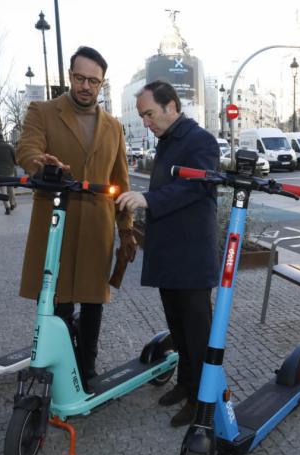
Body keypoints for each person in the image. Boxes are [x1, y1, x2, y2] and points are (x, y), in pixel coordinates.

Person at [16, 46, 135, 388]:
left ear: (102, 84)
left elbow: (120, 179)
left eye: (93, 81)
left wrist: (126, 229)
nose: (86, 86)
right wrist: (40, 162)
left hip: (97, 227)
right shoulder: (42, 111)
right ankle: (60, 366)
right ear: (69, 76)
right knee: (58, 299)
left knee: (94, 301)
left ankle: (87, 368)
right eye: (80, 78)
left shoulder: (113, 126)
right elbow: (27, 149)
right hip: (56, 221)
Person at [116, 80, 219, 427]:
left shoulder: (200, 141)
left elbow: (194, 186)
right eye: (143, 114)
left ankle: (202, 402)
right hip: (171, 255)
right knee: (177, 326)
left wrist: (149, 199)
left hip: (190, 256)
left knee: (197, 332)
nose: (145, 121)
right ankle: (186, 385)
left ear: (171, 107)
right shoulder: (168, 141)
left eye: (149, 113)